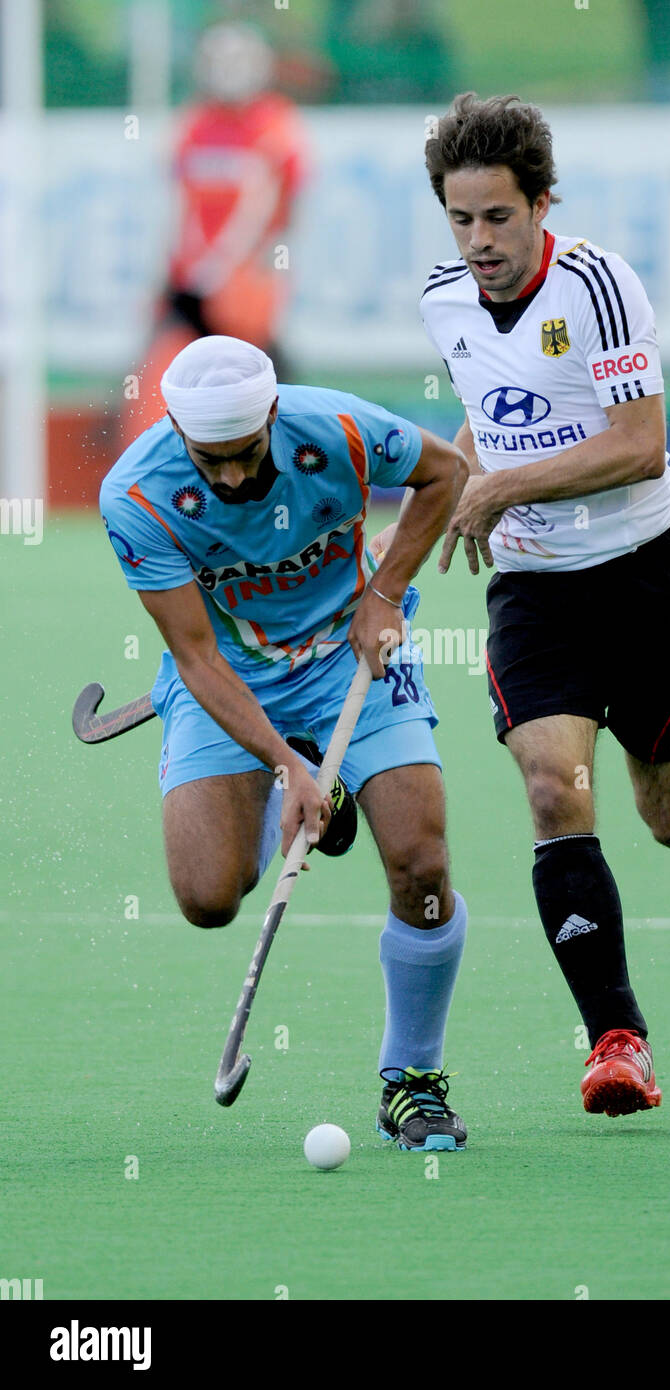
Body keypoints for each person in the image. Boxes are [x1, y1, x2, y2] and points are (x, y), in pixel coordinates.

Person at [401, 92, 670, 1118]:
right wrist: (415, 535)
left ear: (541, 203)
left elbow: (639, 443)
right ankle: (615, 1039)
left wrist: (502, 484)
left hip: (649, 574)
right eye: (459, 220)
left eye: (497, 218)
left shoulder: (598, 283)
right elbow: (485, 418)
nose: (477, 243)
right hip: (533, 591)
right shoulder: (443, 298)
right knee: (555, 790)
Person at [100, 334, 469, 1151]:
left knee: (422, 861)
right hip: (231, 674)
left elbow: (445, 470)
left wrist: (386, 590)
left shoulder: (336, 428)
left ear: (272, 414)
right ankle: (305, 794)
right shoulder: (137, 496)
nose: (230, 477)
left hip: (351, 652)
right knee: (207, 896)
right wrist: (286, 763)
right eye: (210, 460)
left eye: (245, 456)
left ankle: (413, 1081)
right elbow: (195, 654)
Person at [118, 23, 309, 447]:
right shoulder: (194, 125)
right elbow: (178, 207)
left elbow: (277, 207)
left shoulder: (274, 124)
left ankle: (293, 450)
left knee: (255, 378)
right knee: (162, 374)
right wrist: (173, 271)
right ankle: (149, 466)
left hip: (241, 285)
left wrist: (242, 269)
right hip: (189, 279)